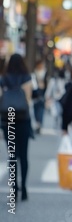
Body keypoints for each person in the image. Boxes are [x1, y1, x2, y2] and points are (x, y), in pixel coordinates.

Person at [0, 54, 33, 201]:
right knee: (24, 156)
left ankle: (14, 187)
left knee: (12, 155)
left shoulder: (3, 79)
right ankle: (24, 188)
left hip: (8, 120)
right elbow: (28, 100)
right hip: (23, 119)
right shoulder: (26, 78)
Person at [32, 60, 47, 134]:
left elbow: (48, 84)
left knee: (40, 110)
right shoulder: (34, 73)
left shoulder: (45, 73)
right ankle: (37, 123)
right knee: (36, 110)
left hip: (42, 95)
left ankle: (39, 124)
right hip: (35, 94)